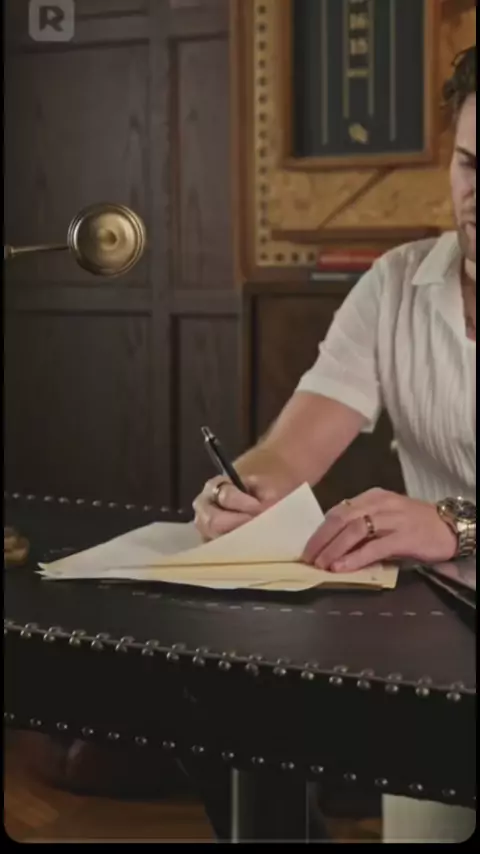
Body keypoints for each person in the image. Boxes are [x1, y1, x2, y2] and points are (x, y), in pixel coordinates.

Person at [192, 46, 476, 843]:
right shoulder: (396, 283)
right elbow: (289, 453)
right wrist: (245, 491)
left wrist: (452, 524)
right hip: (437, 644)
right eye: (469, 165)